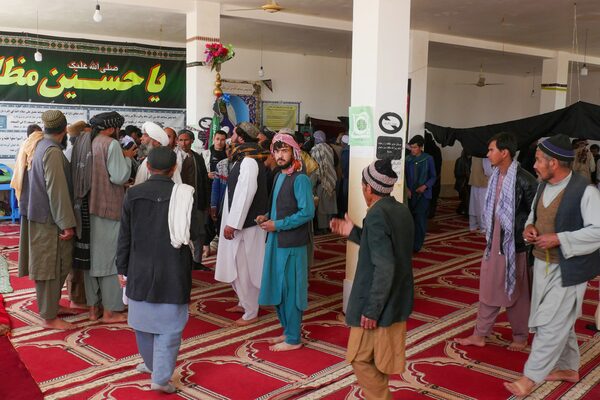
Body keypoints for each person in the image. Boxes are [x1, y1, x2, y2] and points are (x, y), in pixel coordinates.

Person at [504, 134, 600, 397]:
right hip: (542, 264)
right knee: (559, 318)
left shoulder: (586, 192)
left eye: (538, 160)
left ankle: (529, 378)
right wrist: (529, 229)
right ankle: (568, 368)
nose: (534, 165)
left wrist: (560, 238)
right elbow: (533, 217)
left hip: (570, 270)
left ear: (553, 162)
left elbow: (598, 231)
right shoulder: (543, 186)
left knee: (549, 323)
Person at [117, 146, 200, 394]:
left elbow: (124, 236)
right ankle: (161, 378)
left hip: (139, 266)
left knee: (143, 322)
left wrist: (122, 268)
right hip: (173, 267)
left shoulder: (133, 194)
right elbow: (196, 231)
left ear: (148, 167)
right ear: (174, 169)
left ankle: (152, 365)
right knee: (170, 325)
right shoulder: (184, 194)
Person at [330, 159, 414, 400]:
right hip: (397, 298)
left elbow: (385, 265)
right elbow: (389, 247)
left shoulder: (377, 215)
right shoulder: (401, 210)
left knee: (359, 358)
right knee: (378, 359)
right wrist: (354, 232)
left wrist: (372, 309)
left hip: (378, 303)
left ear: (368, 187)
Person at [455, 132, 537, 351]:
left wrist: (523, 233)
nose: (488, 154)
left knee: (517, 293)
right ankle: (480, 334)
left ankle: (520, 337)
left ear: (504, 152)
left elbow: (535, 214)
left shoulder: (525, 179)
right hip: (493, 245)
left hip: (514, 247)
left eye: (491, 150)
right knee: (488, 289)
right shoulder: (495, 176)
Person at [17, 110, 77, 330]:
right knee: (52, 266)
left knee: (50, 264)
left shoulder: (39, 144)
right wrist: (66, 224)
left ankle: (51, 306)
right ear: (64, 130)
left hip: (39, 214)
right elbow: (56, 191)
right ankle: (49, 317)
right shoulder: (51, 151)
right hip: (49, 220)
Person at [257, 132, 315, 351]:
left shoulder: (300, 179)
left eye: (284, 151)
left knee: (291, 291)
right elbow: (279, 207)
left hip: (292, 244)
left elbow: (307, 212)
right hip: (276, 240)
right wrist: (266, 217)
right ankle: (288, 330)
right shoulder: (279, 176)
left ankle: (293, 339)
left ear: (294, 152)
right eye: (277, 151)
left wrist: (278, 224)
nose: (280, 155)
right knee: (278, 289)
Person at [214, 122, 269, 326]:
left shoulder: (249, 161)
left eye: (235, 133)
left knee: (245, 267)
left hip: (245, 225)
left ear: (242, 137)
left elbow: (245, 194)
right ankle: (243, 302)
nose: (232, 136)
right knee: (237, 264)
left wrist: (234, 224)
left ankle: (251, 311)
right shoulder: (243, 157)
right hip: (239, 222)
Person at [86, 111, 136, 322]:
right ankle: (110, 311)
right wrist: (128, 159)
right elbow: (119, 177)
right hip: (108, 208)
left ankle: (93, 309)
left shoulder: (89, 142)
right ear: (112, 128)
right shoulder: (111, 144)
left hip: (89, 208)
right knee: (110, 260)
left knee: (93, 259)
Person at [179, 129, 211, 271]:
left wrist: (207, 203)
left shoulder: (198, 158)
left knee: (199, 232)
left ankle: (196, 261)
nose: (183, 143)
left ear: (192, 141)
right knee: (181, 231)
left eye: (186, 140)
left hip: (197, 201)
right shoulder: (174, 157)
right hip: (180, 203)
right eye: (180, 140)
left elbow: (204, 181)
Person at [405, 135, 436, 252]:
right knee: (410, 220)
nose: (412, 150)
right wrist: (407, 189)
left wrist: (425, 186)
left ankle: (417, 246)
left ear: (421, 147)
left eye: (415, 147)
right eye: (411, 147)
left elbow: (433, 176)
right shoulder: (407, 159)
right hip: (410, 194)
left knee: (420, 219)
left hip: (424, 195)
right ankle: (410, 243)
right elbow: (405, 177)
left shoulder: (428, 159)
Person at [310, 130, 338, 233]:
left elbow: (314, 167)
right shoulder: (329, 148)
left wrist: (312, 185)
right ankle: (329, 226)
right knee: (329, 205)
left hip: (321, 181)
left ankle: (323, 228)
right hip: (331, 180)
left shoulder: (315, 149)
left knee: (321, 207)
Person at [469, 156, 493, 232]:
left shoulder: (474, 154)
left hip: (474, 181)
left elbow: (471, 168)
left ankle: (473, 225)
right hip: (483, 183)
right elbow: (488, 171)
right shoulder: (485, 156)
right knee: (483, 206)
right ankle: (484, 227)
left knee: (473, 206)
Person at [424, 132, 442, 219]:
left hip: (429, 179)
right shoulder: (436, 149)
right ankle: (431, 213)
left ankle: (428, 214)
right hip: (436, 178)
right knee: (433, 198)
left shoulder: (426, 150)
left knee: (428, 198)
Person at [454, 150, 471, 215]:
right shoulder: (460, 160)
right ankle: (465, 212)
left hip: (467, 183)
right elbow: (457, 173)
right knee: (466, 198)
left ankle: (463, 210)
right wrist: (466, 175)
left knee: (466, 199)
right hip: (462, 183)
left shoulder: (471, 160)